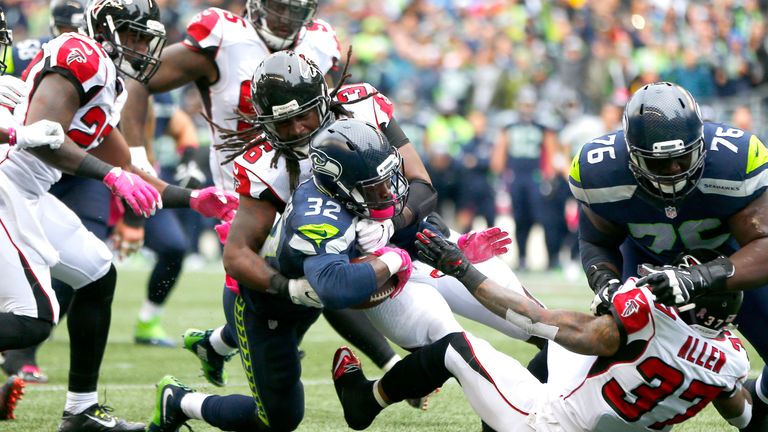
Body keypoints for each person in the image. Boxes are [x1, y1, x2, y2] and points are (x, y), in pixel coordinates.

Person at [119, 0, 408, 379]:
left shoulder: (320, 42)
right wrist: (138, 157)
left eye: (295, 11)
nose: (285, 19)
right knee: (297, 282)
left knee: (322, 269)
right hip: (250, 188)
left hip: (313, 180)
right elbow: (138, 78)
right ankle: (387, 363)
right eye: (277, 9)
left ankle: (217, 344)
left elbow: (332, 109)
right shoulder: (224, 37)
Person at [1, 0, 238, 430]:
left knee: (96, 270)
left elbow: (131, 169)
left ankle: (81, 410)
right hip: (6, 179)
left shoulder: (109, 81)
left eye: (146, 38)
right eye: (134, 36)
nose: (142, 47)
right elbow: (40, 137)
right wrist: (110, 177)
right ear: (106, 27)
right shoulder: (81, 53)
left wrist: (195, 198)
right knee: (33, 319)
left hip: (30, 189)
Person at [333, 240, 754, 431]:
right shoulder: (732, 360)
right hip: (612, 419)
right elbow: (741, 413)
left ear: (695, 305)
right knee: (555, 351)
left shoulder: (650, 318)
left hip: (551, 424)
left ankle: (365, 401)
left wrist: (463, 269)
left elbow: (537, 319)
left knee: (455, 349)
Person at [567, 81, 768, 421]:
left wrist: (700, 277)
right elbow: (596, 241)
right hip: (649, 267)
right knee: (604, 363)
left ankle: (758, 404)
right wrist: (605, 281)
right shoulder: (599, 170)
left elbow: (764, 243)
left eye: (682, 158)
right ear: (631, 155)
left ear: (701, 144)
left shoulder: (735, 162)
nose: (674, 170)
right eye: (659, 164)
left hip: (733, 265)